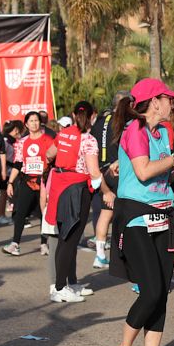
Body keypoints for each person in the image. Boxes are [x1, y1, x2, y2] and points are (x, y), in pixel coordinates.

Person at [104, 79, 174, 346]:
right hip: (136, 218)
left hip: (163, 217)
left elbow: (161, 174)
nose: (172, 104)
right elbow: (144, 171)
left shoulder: (162, 133)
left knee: (161, 293)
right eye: (168, 99)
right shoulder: (135, 130)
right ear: (153, 101)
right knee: (150, 291)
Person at [46, 101, 109, 303]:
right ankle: (59, 287)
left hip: (59, 186)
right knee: (69, 240)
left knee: (67, 238)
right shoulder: (89, 140)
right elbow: (94, 172)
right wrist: (107, 191)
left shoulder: (63, 133)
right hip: (76, 190)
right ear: (93, 116)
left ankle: (70, 283)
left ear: (73, 115)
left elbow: (49, 154)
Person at [2, 112, 53, 256]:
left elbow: (53, 161)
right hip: (27, 181)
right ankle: (15, 244)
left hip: (43, 182)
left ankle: (44, 244)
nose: (34, 123)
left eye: (37, 120)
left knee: (44, 213)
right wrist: (10, 182)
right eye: (31, 121)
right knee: (19, 212)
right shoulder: (22, 143)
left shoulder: (48, 140)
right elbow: (18, 164)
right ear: (26, 124)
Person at [89, 90, 131, 269]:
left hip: (101, 171)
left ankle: (99, 255)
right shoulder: (124, 122)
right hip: (118, 170)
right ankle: (124, 254)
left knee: (106, 213)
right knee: (126, 215)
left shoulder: (99, 121)